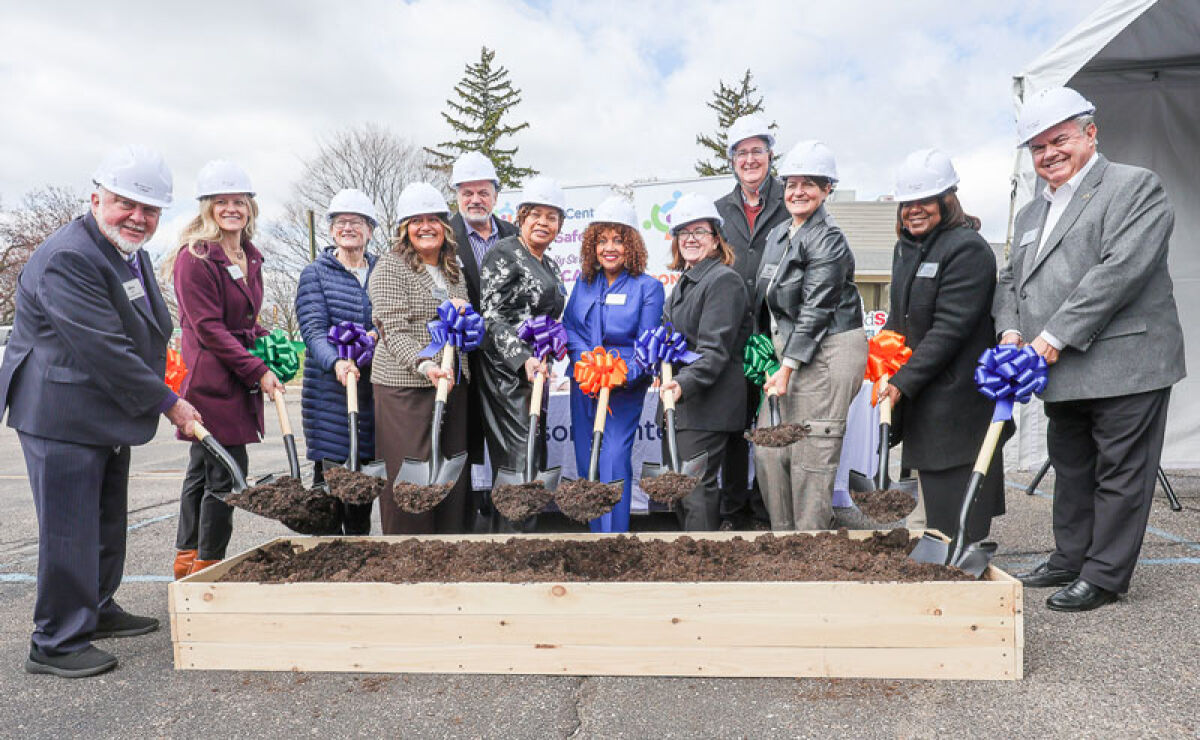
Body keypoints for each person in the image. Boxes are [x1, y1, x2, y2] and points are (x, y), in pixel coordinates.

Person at [0, 146, 202, 678]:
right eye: (125, 204)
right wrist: (170, 403)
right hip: (60, 410)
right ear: (96, 198)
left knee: (106, 518)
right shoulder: (70, 256)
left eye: (150, 210)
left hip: (100, 409)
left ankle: (95, 606)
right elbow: (103, 346)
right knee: (70, 527)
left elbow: (147, 327)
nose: (138, 217)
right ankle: (57, 641)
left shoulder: (122, 251)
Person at [995, 87, 1185, 611]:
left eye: (1059, 140)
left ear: (1090, 133)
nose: (1049, 154)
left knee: (1121, 472)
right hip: (1058, 367)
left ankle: (1104, 575)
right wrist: (1011, 333)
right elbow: (1011, 279)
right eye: (1037, 147)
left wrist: (1049, 339)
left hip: (1127, 362)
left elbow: (1118, 272)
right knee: (1072, 467)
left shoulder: (1133, 187)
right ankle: (1069, 556)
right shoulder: (1031, 213)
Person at [879, 148, 1006, 542]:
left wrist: (902, 380)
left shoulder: (967, 249)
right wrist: (883, 361)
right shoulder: (908, 249)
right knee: (928, 503)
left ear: (947, 199)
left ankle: (962, 570)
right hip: (923, 395)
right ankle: (937, 563)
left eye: (924, 201)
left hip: (956, 399)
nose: (914, 210)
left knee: (954, 505)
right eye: (907, 203)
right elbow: (900, 319)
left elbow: (950, 330)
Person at [165, 160, 281, 577]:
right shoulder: (195, 257)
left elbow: (241, 320)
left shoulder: (248, 254)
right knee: (227, 474)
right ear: (207, 208)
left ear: (249, 207)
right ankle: (208, 565)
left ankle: (188, 561)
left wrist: (269, 338)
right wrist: (257, 370)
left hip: (234, 373)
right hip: (213, 380)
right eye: (222, 202)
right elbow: (209, 328)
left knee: (203, 469)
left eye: (239, 201)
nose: (231, 208)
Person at [751, 141, 867, 531]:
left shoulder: (829, 239)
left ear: (827, 189)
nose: (798, 191)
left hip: (829, 349)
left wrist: (785, 368)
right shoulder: (780, 233)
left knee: (810, 450)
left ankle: (809, 542)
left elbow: (816, 309)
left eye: (810, 184)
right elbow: (767, 296)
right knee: (769, 449)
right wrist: (763, 347)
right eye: (791, 183)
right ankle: (784, 537)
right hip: (791, 349)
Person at [368, 182, 471, 534]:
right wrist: (426, 364)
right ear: (404, 229)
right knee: (409, 478)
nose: (426, 227)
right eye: (417, 221)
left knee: (450, 479)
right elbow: (393, 329)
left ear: (445, 227)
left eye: (434, 220)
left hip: (450, 384)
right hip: (404, 388)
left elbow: (462, 325)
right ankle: (406, 550)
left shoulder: (453, 268)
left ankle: (448, 549)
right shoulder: (390, 267)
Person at [563, 197, 664, 532]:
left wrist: (619, 375)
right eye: (601, 240)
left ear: (631, 245)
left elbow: (647, 342)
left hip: (623, 388)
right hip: (585, 383)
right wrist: (587, 365)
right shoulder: (583, 282)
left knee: (613, 458)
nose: (609, 248)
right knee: (586, 461)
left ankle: (614, 538)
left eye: (618, 240)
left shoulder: (648, 288)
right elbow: (571, 329)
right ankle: (595, 541)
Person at [478, 176, 569, 531]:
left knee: (534, 457)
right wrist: (522, 358)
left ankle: (522, 541)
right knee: (519, 460)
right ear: (521, 216)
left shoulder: (550, 265)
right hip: (507, 375)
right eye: (537, 215)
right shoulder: (504, 252)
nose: (544, 223)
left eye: (552, 217)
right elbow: (491, 317)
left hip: (537, 374)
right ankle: (511, 544)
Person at [658, 193, 751, 531]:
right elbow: (672, 345)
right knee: (682, 492)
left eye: (700, 231)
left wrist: (681, 384)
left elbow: (714, 352)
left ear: (716, 239)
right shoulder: (686, 282)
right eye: (684, 233)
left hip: (707, 406)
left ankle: (702, 563)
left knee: (696, 492)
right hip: (685, 406)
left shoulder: (723, 281)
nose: (691, 239)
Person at [713, 113, 788, 530]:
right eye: (741, 152)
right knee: (732, 428)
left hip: (776, 335)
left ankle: (765, 511)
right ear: (732, 161)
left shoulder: (788, 200)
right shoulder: (720, 211)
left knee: (772, 424)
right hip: (733, 335)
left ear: (770, 155)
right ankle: (733, 510)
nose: (749, 159)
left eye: (757, 150)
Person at [295, 188, 379, 535]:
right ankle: (327, 568)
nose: (348, 228)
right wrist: (337, 363)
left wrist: (377, 334)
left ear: (370, 230)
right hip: (329, 395)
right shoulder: (315, 274)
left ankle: (359, 560)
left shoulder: (381, 270)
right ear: (331, 231)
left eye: (357, 222)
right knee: (330, 492)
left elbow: (390, 317)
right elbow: (313, 331)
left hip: (371, 393)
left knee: (361, 490)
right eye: (341, 222)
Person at [447, 152, 519, 529]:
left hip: (509, 359)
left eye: (483, 192)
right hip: (465, 360)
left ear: (495, 195)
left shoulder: (513, 235)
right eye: (467, 192)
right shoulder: (444, 235)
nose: (475, 199)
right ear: (457, 196)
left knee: (509, 447)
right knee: (465, 443)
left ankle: (509, 528)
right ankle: (471, 526)